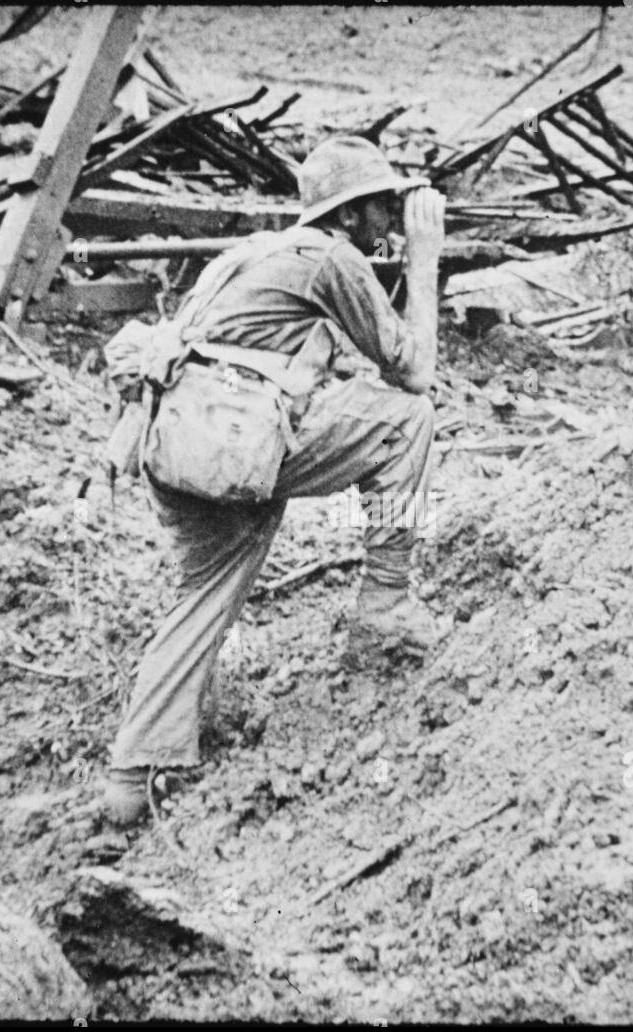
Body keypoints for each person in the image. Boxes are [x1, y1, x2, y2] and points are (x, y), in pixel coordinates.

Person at [103, 135, 448, 827]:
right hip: (226, 450)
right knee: (408, 418)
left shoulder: (252, 252)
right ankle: (385, 607)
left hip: (177, 446)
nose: (388, 221)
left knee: (201, 596)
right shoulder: (332, 257)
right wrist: (426, 257)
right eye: (381, 207)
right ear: (348, 216)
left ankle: (131, 783)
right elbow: (412, 372)